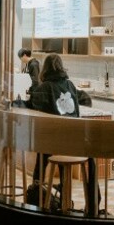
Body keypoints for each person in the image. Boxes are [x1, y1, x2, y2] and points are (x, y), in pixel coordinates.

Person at [28, 54, 84, 209]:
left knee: (41, 164)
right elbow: (83, 100)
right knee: (63, 166)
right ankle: (65, 202)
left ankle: (36, 198)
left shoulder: (44, 87)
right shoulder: (70, 85)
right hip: (71, 138)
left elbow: (33, 106)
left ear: (44, 68)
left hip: (49, 137)